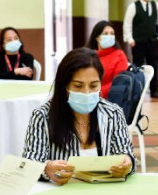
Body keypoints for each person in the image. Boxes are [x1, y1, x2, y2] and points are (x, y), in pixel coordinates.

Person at [23, 48, 135, 184]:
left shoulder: (113, 114)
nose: (86, 92)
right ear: (64, 86)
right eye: (78, 86)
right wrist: (46, 169)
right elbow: (29, 165)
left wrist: (127, 164)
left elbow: (126, 154)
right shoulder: (42, 117)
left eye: (94, 86)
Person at [123, 0, 158, 98]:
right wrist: (130, 39)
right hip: (138, 42)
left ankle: (154, 90)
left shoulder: (156, 5)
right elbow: (127, 24)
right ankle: (138, 90)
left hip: (152, 41)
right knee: (138, 66)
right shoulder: (133, 6)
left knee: (154, 65)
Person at [86, 20, 129, 98]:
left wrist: (97, 93)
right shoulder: (89, 55)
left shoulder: (119, 55)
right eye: (105, 33)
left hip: (107, 98)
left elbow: (118, 82)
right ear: (96, 37)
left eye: (112, 33)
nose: (109, 36)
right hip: (87, 94)